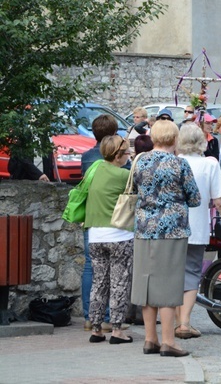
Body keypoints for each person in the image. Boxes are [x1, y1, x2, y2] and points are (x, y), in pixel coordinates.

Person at [131, 120, 201, 357]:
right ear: (174, 139)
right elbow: (194, 198)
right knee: (169, 286)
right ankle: (169, 341)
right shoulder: (179, 164)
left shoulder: (139, 162)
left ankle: (150, 339)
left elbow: (133, 191)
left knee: (146, 283)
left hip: (143, 229)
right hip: (171, 230)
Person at [175, 123, 221, 340]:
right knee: (192, 274)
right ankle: (184, 322)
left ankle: (177, 321)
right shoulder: (209, 164)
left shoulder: (174, 162)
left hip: (172, 227)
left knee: (175, 274)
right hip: (197, 227)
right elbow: (220, 201)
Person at [85, 135, 133, 344]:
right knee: (119, 282)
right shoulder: (124, 175)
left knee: (99, 282)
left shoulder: (94, 169)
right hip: (119, 235)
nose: (129, 156)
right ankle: (116, 329)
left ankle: (95, 328)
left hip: (95, 234)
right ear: (118, 155)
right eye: (127, 152)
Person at [81, 114, 120, 331]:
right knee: (110, 269)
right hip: (112, 218)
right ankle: (105, 317)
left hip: (90, 215)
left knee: (90, 266)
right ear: (114, 133)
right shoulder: (116, 158)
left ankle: (89, 316)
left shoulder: (86, 157)